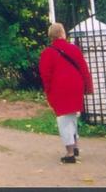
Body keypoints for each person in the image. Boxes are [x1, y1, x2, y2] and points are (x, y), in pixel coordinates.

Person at [38, 23, 94, 164]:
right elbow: (83, 68)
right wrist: (88, 87)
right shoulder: (74, 49)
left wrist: (48, 91)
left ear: (51, 36)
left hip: (59, 88)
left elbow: (46, 75)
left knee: (63, 119)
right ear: (63, 33)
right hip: (76, 86)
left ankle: (70, 152)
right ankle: (75, 146)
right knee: (73, 117)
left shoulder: (47, 53)